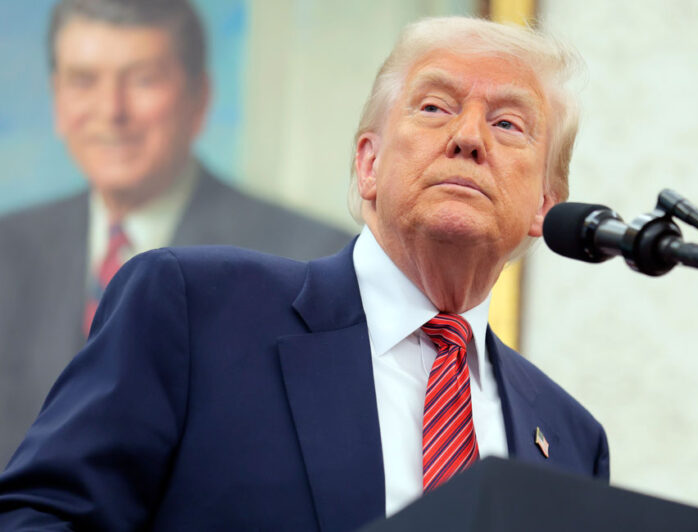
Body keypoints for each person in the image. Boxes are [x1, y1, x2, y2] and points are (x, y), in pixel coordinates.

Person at [0, 15, 608, 531]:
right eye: (434, 107)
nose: (468, 137)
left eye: (507, 124)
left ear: (544, 205)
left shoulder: (571, 439)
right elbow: (41, 516)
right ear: (368, 164)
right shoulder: (193, 308)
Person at [0, 0, 351, 464]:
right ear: (57, 100)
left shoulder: (311, 264)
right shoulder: (8, 250)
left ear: (199, 98)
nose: (111, 110)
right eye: (84, 81)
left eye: (143, 80)